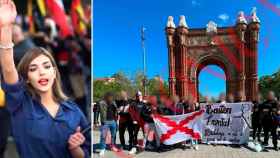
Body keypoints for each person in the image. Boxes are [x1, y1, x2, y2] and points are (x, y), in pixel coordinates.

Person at [0, 1, 90, 158]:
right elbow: (8, 67)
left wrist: (75, 148)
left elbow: (85, 153)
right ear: (27, 79)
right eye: (33, 69)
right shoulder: (21, 105)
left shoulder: (74, 111)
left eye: (46, 66)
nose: (41, 72)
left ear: (54, 72)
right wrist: (6, 26)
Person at [98, 92, 119, 156]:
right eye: (109, 96)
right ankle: (102, 149)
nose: (110, 98)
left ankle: (112, 146)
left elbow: (116, 111)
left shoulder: (114, 103)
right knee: (103, 136)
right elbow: (96, 111)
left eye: (111, 97)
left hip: (113, 121)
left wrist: (116, 120)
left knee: (113, 135)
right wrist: (95, 121)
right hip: (105, 122)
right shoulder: (101, 103)